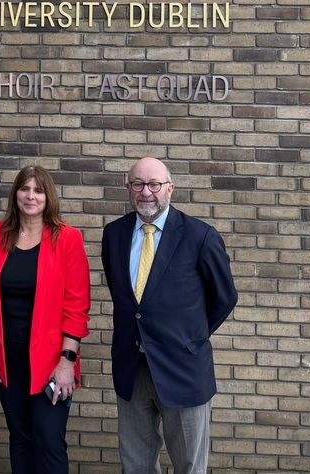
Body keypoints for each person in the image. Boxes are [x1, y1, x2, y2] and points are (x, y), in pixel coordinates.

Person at [101, 157, 238, 473]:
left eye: (154, 184)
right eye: (138, 184)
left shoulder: (200, 236)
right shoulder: (114, 234)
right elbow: (127, 298)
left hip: (183, 369)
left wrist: (191, 337)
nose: (146, 192)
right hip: (132, 369)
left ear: (170, 189)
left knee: (189, 464)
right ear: (128, 188)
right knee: (135, 464)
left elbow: (224, 297)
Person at [0, 165, 91, 474]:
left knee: (49, 440)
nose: (30, 196)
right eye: (25, 189)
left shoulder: (67, 238)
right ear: (15, 194)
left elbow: (77, 307)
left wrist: (67, 361)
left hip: (52, 361)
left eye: (38, 190)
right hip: (7, 357)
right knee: (21, 438)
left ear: (48, 196)